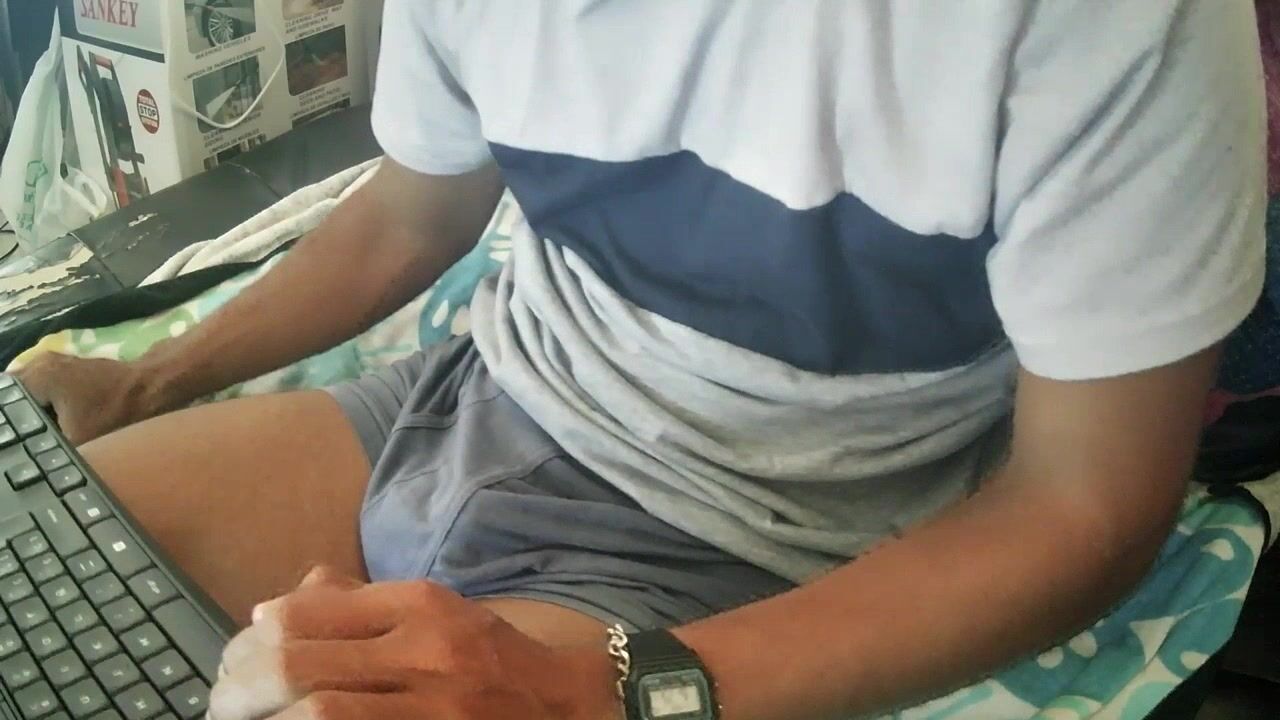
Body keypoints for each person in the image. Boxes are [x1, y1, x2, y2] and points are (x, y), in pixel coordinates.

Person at [16, 2, 1266, 719]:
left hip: (753, 523)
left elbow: (1086, 505)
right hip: (475, 397)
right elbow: (413, 210)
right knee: (28, 567)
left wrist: (596, 695)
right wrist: (151, 378)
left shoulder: (1095, 23)